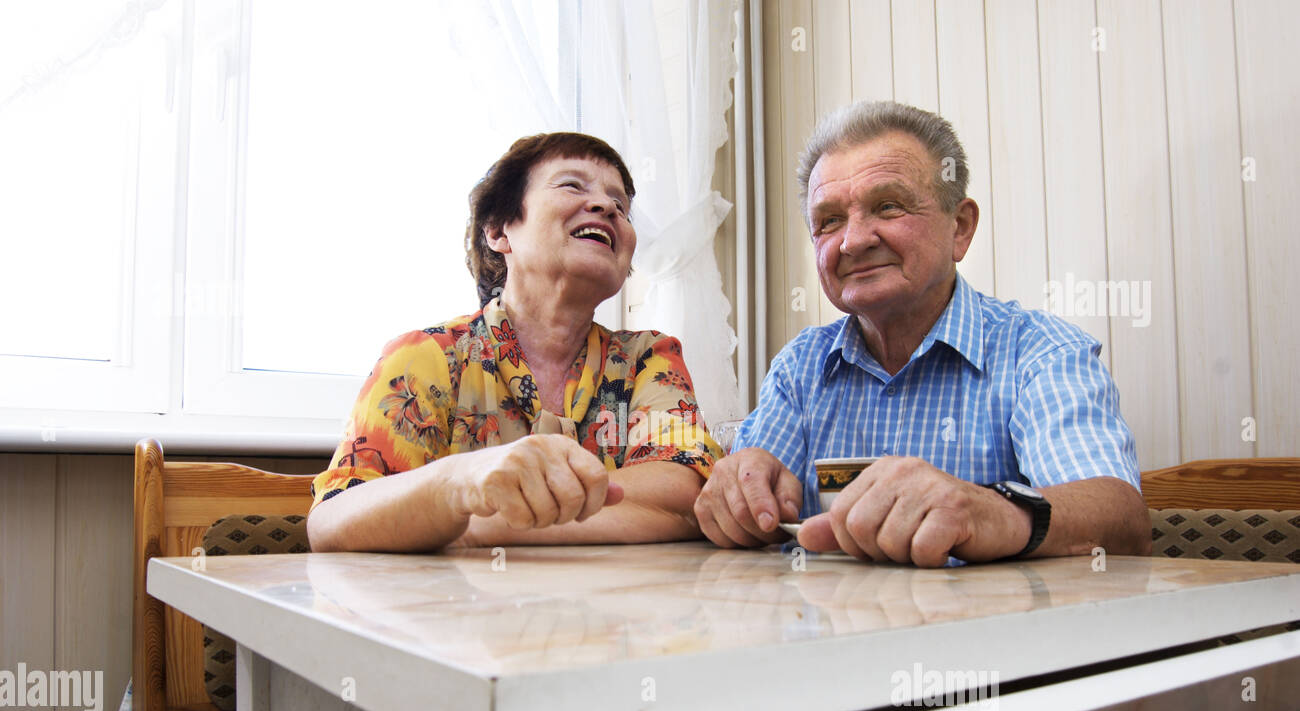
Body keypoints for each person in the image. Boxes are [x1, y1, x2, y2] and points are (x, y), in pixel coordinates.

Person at [695, 101, 1151, 567]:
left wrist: (985, 511)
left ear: (960, 227)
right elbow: (745, 499)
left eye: (888, 206)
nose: (852, 241)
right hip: (822, 633)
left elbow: (1119, 519)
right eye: (829, 220)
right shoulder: (799, 367)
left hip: (992, 635)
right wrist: (735, 496)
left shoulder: (1039, 351)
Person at [308, 133, 721, 553]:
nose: (607, 207)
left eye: (621, 205)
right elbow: (334, 523)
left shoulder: (649, 358)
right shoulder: (426, 358)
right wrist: (459, 481)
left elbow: (683, 496)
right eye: (572, 185)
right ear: (498, 231)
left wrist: (465, 523)